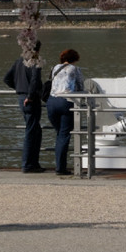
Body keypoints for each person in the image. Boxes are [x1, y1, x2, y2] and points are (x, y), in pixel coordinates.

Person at [3, 41, 46, 173]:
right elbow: (35, 80)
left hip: (22, 98)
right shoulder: (36, 61)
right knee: (31, 131)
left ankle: (34, 163)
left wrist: (19, 88)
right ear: (37, 50)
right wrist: (30, 95)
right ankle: (27, 164)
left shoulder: (19, 61)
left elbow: (7, 78)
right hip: (30, 100)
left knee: (35, 131)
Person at [48, 49, 85, 177]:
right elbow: (81, 86)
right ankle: (60, 168)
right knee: (63, 136)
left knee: (59, 134)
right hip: (66, 102)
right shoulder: (74, 69)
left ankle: (59, 165)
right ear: (75, 58)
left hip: (51, 102)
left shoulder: (55, 68)